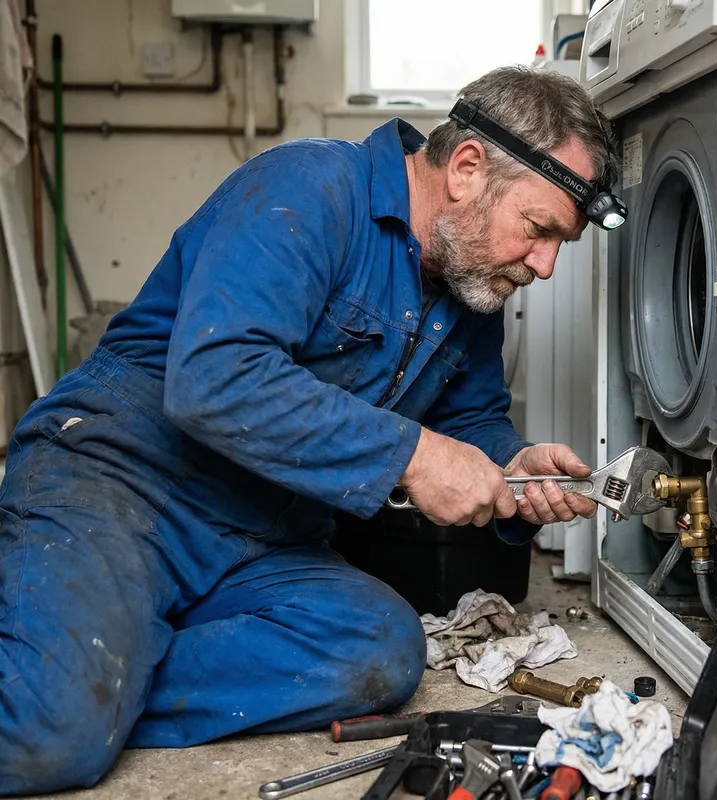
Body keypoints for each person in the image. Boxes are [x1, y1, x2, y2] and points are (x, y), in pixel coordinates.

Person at [0, 65, 620, 794]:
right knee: (48, 735)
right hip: (123, 482)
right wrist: (415, 457)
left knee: (382, 651)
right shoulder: (309, 190)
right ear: (466, 168)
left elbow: (468, 420)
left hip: (263, 530)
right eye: (539, 230)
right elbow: (215, 377)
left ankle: (93, 667)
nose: (545, 266)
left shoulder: (468, 288)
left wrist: (515, 466)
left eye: (559, 245)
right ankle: (70, 681)